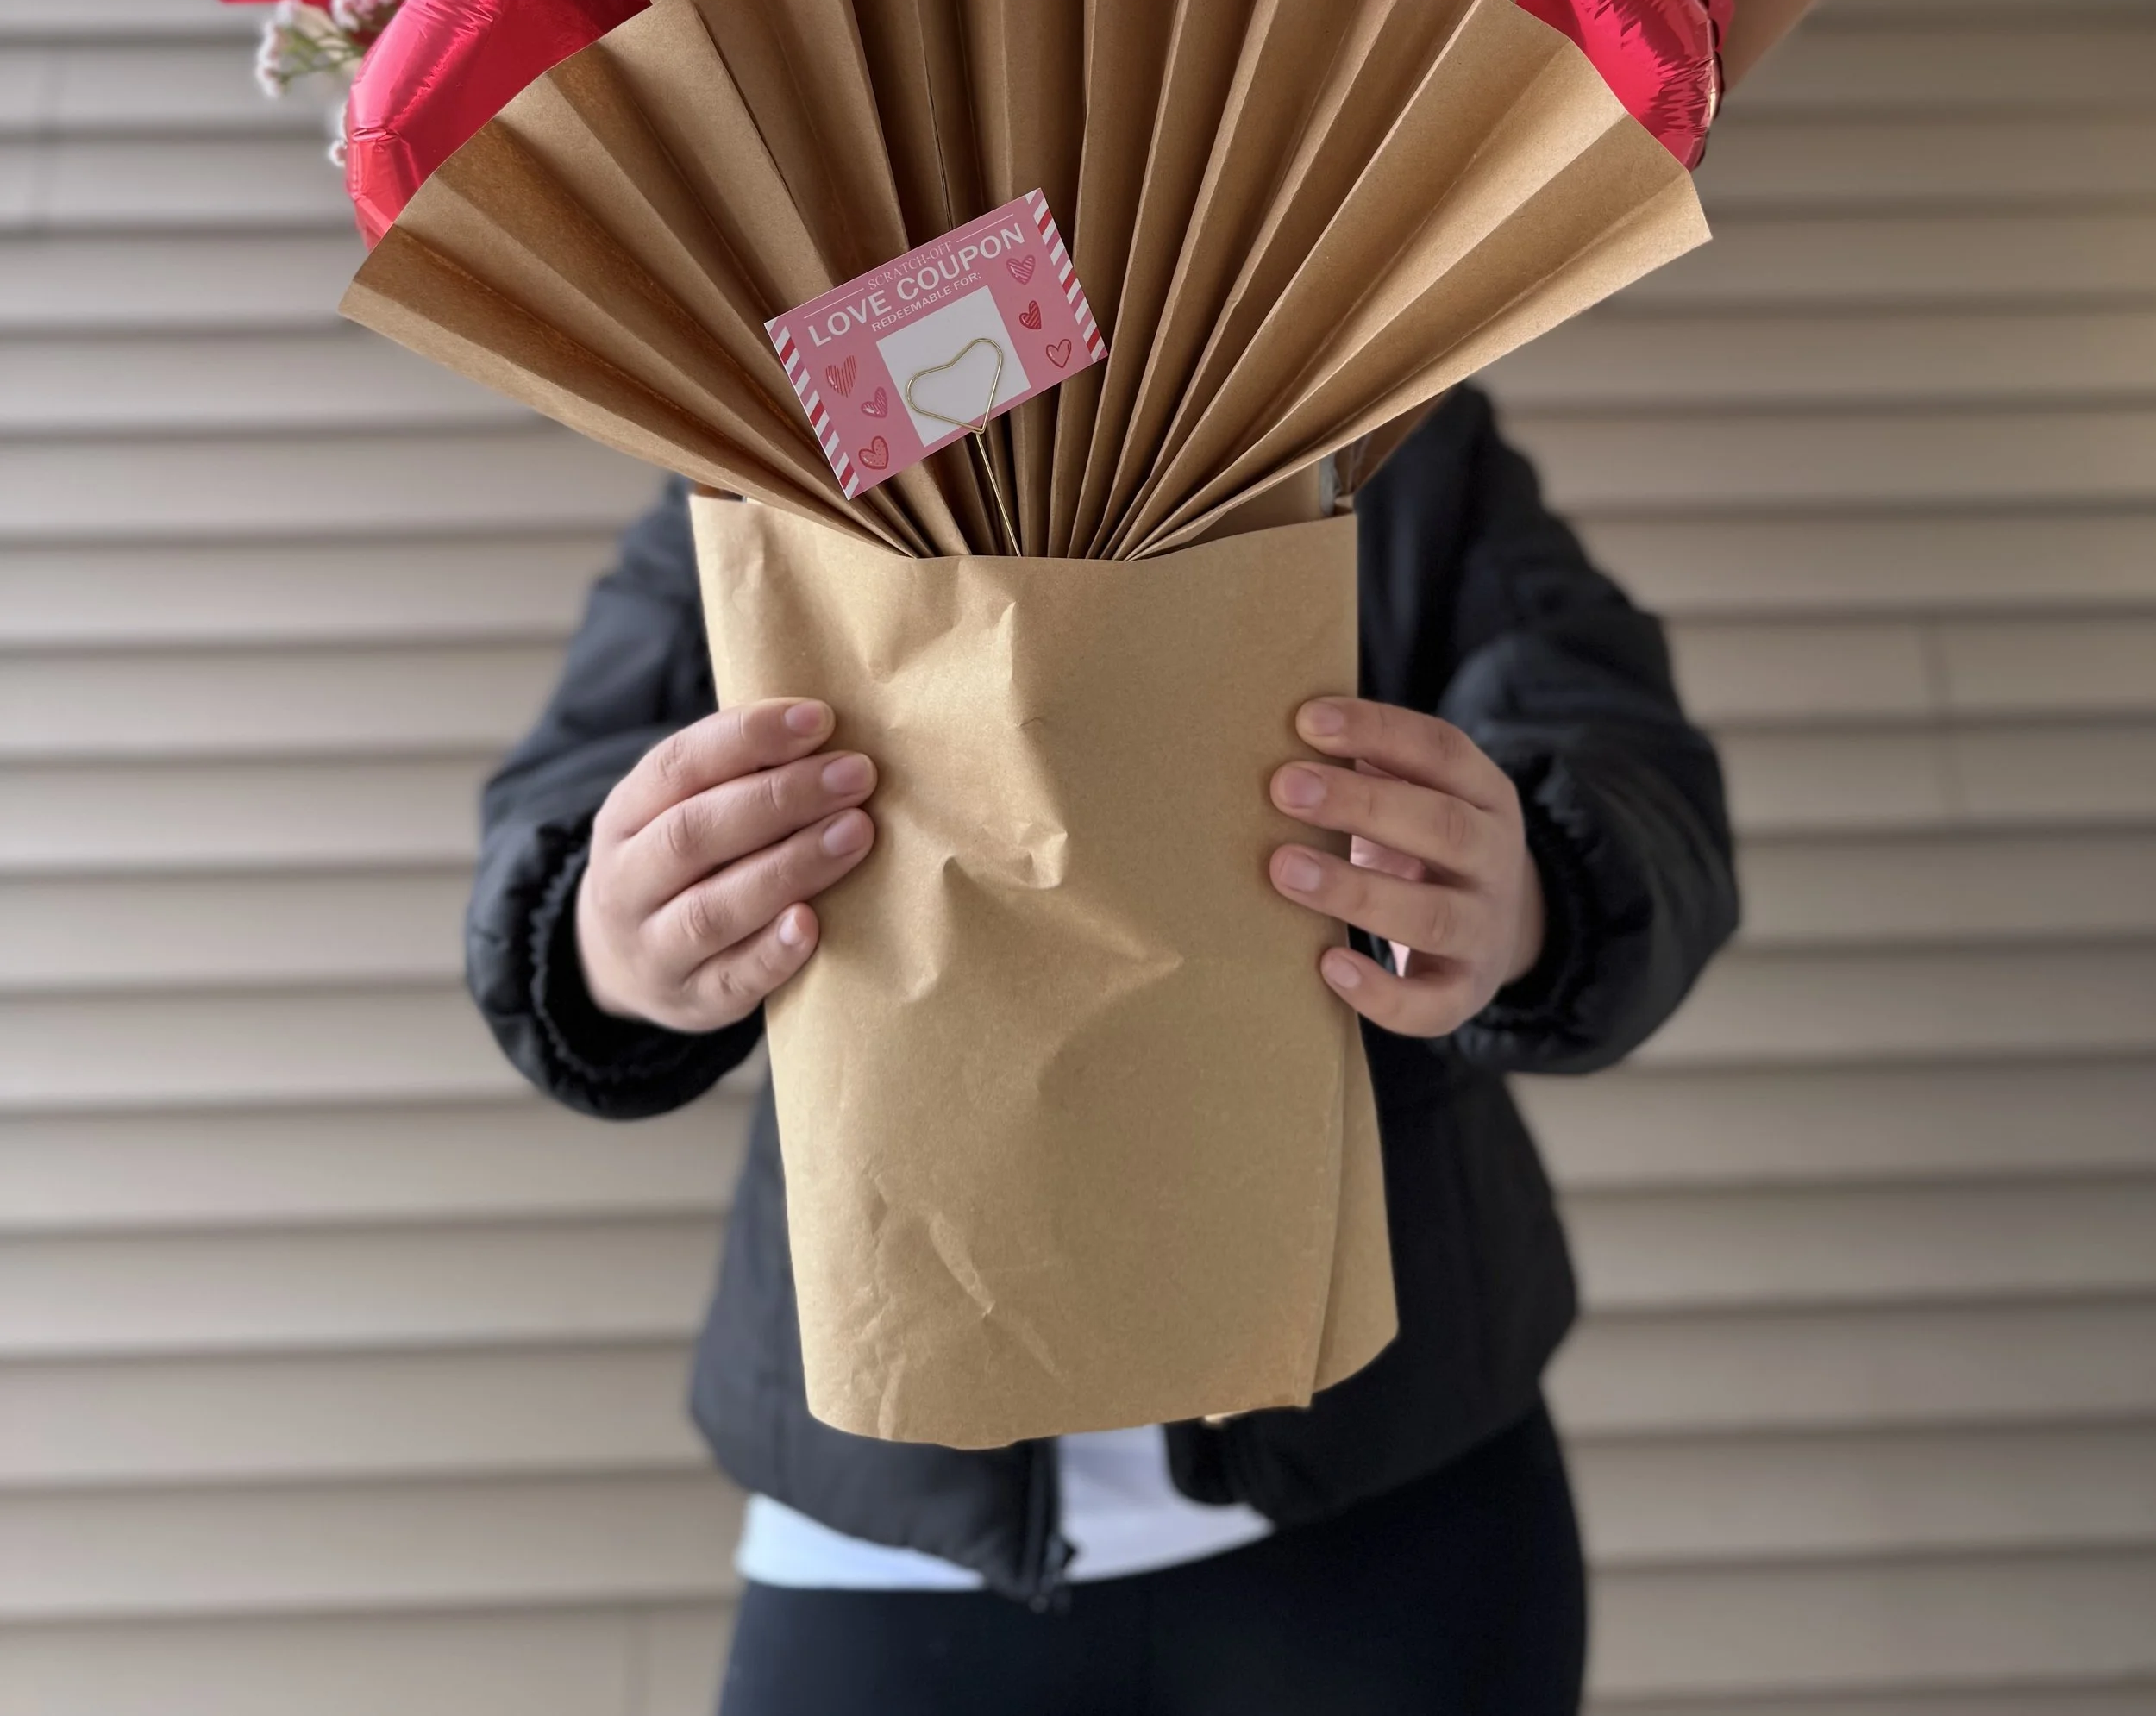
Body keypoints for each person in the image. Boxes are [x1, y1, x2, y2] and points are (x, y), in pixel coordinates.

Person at [469, 386, 1737, 1715]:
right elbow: (570, 808)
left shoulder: (1368, 387)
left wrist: (1522, 896)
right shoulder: (777, 433)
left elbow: (1633, 772)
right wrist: (613, 944)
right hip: (894, 1524)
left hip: (1390, 1481)